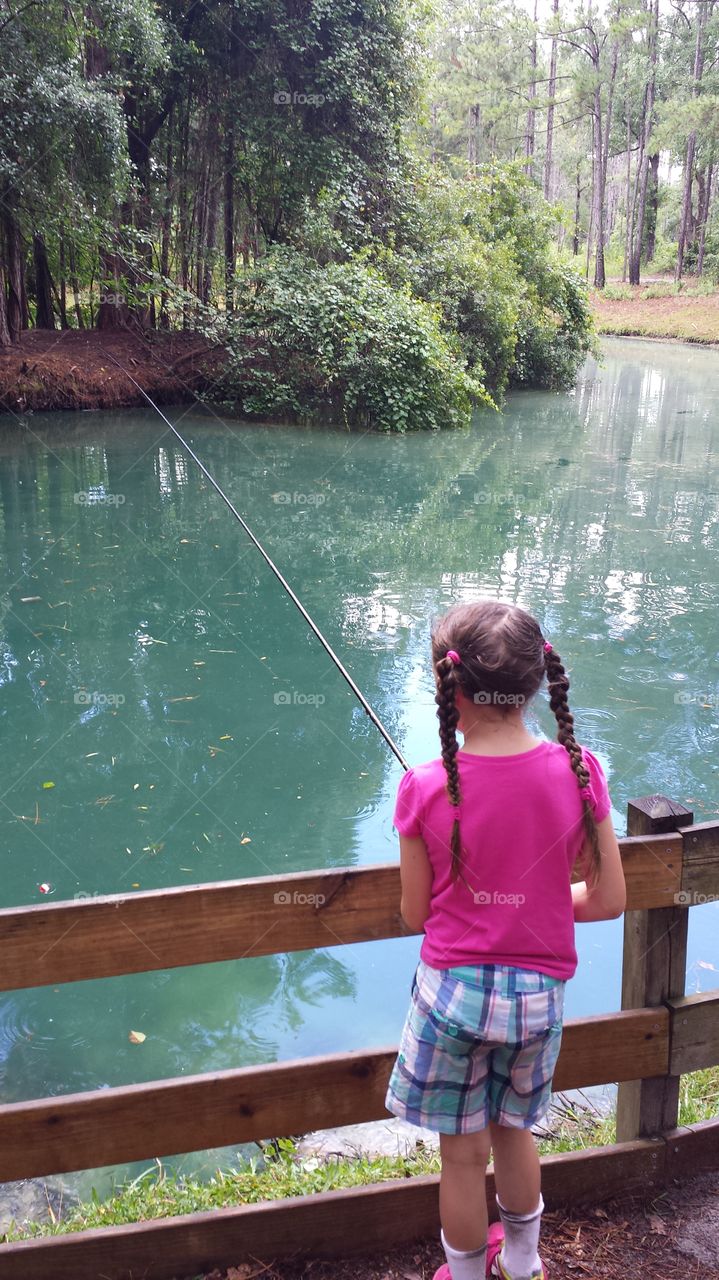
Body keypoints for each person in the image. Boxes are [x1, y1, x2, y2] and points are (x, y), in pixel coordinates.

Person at [384, 600, 626, 1280]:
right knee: (515, 1132)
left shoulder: (422, 788)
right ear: (532, 686)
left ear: (449, 692)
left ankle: (463, 1276)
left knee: (460, 1157)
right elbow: (608, 898)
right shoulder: (580, 776)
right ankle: (521, 1265)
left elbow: (413, 914)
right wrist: (538, 904)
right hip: (536, 1001)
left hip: (451, 997)